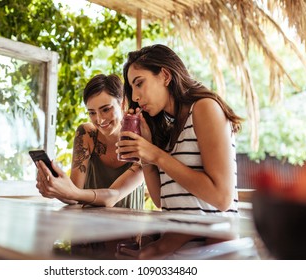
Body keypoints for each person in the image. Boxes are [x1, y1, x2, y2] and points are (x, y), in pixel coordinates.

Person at [116, 44, 243, 259]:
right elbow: (161, 200)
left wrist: (156, 154)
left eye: (139, 84)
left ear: (165, 76)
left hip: (210, 254)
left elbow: (222, 198)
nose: (135, 96)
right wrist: (146, 153)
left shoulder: (205, 108)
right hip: (176, 251)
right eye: (132, 88)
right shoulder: (169, 128)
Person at [35, 74, 144, 209]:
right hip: (89, 226)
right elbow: (74, 194)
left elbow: (112, 196)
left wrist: (70, 192)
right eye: (92, 112)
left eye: (106, 109)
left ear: (123, 104)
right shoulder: (87, 134)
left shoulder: (142, 139)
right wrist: (55, 188)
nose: (99, 119)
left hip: (130, 226)